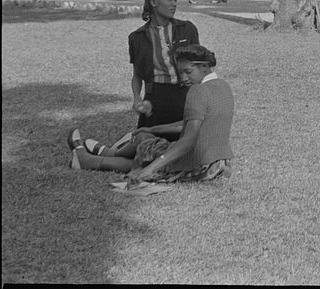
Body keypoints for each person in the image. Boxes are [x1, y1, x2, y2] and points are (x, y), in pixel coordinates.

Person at [67, 45, 234, 186]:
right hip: (218, 164)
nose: (183, 78)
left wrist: (151, 168)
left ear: (204, 67)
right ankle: (96, 157)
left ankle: (102, 155)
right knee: (147, 138)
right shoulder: (222, 86)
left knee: (144, 143)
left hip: (196, 165)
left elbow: (188, 141)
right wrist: (154, 128)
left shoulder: (198, 91)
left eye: (188, 71)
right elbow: (188, 123)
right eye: (181, 72)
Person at [128, 0, 201, 134]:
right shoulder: (137, 37)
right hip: (155, 99)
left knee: (186, 147)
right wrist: (137, 98)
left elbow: (200, 66)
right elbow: (137, 75)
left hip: (185, 96)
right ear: (154, 2)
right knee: (148, 146)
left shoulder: (187, 29)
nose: (174, 4)